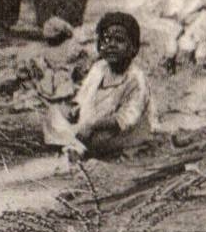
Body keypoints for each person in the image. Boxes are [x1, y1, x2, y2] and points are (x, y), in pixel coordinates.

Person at [44, 12, 154, 159]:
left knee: (99, 139)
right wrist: (75, 108)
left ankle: (75, 145)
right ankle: (77, 145)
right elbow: (84, 96)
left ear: (133, 48)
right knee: (53, 113)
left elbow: (126, 118)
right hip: (91, 122)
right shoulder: (99, 67)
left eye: (119, 40)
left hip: (119, 129)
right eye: (106, 40)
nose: (112, 45)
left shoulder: (136, 78)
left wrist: (94, 125)